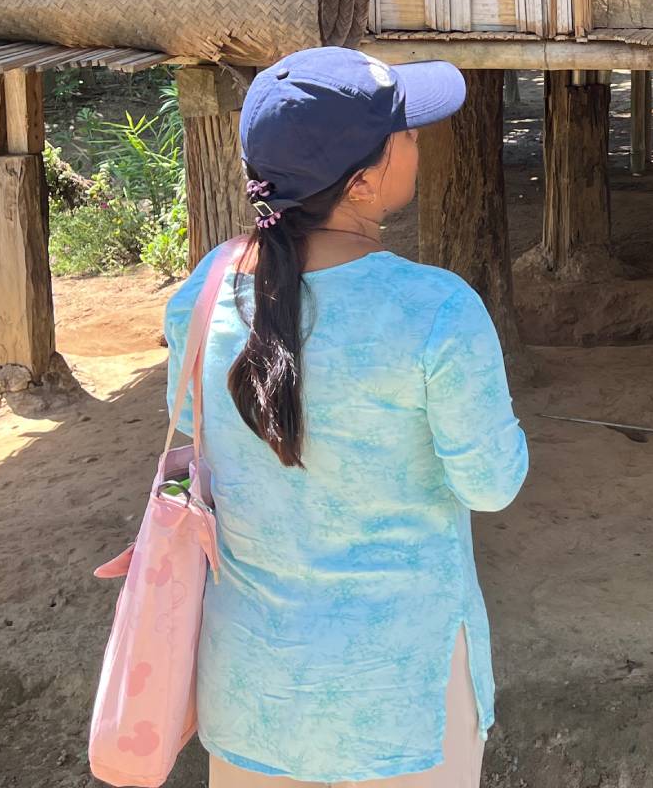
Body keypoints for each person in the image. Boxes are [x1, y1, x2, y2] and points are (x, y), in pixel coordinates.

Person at [163, 47, 528, 788]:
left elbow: (203, 439)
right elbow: (492, 485)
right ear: (362, 184)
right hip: (402, 708)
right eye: (405, 133)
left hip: (250, 700)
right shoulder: (437, 310)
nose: (418, 140)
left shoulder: (206, 291)